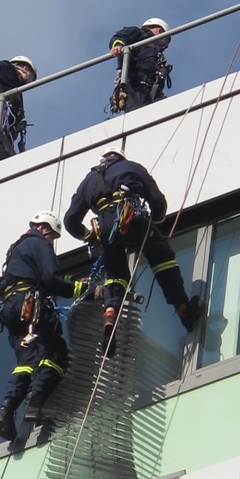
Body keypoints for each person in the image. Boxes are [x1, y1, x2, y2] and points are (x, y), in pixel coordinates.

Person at [63, 147, 203, 351]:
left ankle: (110, 312)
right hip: (131, 216)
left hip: (105, 227)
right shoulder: (131, 167)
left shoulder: (89, 180)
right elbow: (157, 200)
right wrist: (155, 220)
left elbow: (70, 220)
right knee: (162, 257)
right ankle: (184, 310)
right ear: (120, 157)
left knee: (116, 275)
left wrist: (87, 234)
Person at [0, 210, 87, 441]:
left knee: (25, 362)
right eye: (53, 238)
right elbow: (50, 279)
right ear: (45, 229)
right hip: (31, 305)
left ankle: (7, 408)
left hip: (10, 308)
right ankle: (37, 399)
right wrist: (83, 289)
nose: (52, 242)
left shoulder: (16, 248)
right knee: (55, 353)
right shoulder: (39, 244)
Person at [109, 18, 173, 113]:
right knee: (136, 115)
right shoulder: (138, 34)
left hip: (153, 92)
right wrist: (118, 45)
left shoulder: (157, 55)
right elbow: (121, 36)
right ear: (159, 31)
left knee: (167, 111)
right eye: (166, 40)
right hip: (136, 89)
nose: (166, 46)